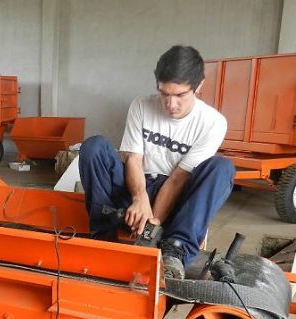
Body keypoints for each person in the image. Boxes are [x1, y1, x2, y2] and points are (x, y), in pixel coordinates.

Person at [79, 45, 234, 279]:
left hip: (177, 202)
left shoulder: (213, 122)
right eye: (164, 94)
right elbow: (133, 159)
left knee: (222, 168)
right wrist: (139, 198)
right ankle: (103, 233)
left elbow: (178, 178)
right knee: (94, 147)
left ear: (199, 85)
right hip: (137, 189)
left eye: (180, 95)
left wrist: (152, 225)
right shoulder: (141, 106)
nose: (171, 104)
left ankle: (176, 249)